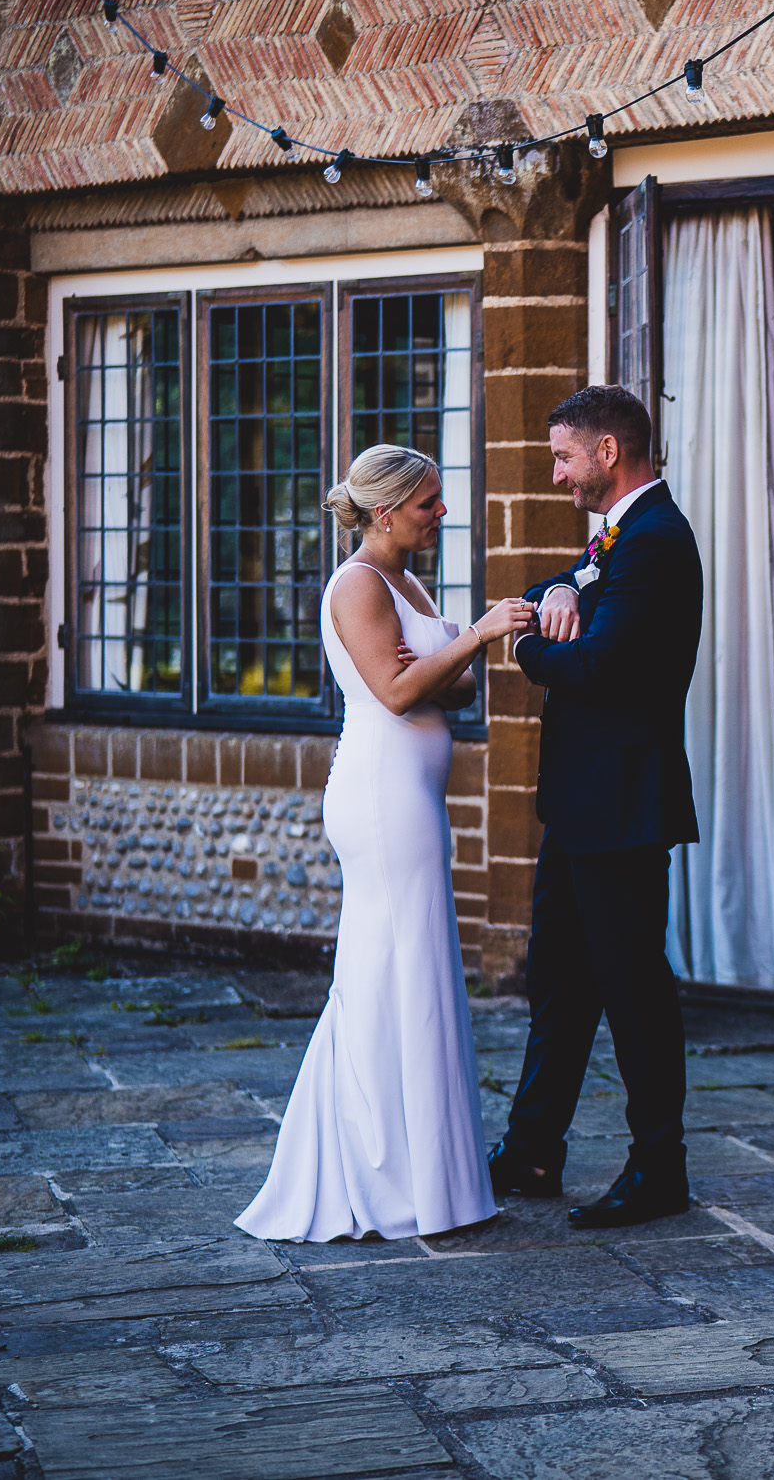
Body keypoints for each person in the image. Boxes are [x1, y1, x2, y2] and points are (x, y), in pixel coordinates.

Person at [236, 445, 531, 1242]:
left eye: (439, 499)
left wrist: (445, 655)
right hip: (377, 797)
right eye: (429, 502)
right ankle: (377, 1167)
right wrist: (475, 634)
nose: (441, 513)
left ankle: (426, 1171)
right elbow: (401, 690)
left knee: (418, 967)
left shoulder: (407, 581)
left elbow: (455, 686)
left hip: (412, 796)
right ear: (385, 510)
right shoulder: (358, 583)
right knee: (386, 970)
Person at [484, 383, 702, 1229]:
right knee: (560, 983)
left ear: (608, 453)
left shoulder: (655, 541)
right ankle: (534, 1146)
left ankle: (660, 1167)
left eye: (563, 457)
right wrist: (560, 591)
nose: (554, 474)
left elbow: (602, 665)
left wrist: (531, 643)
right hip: (580, 807)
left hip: (622, 806)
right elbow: (571, 581)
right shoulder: (618, 538)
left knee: (633, 988)